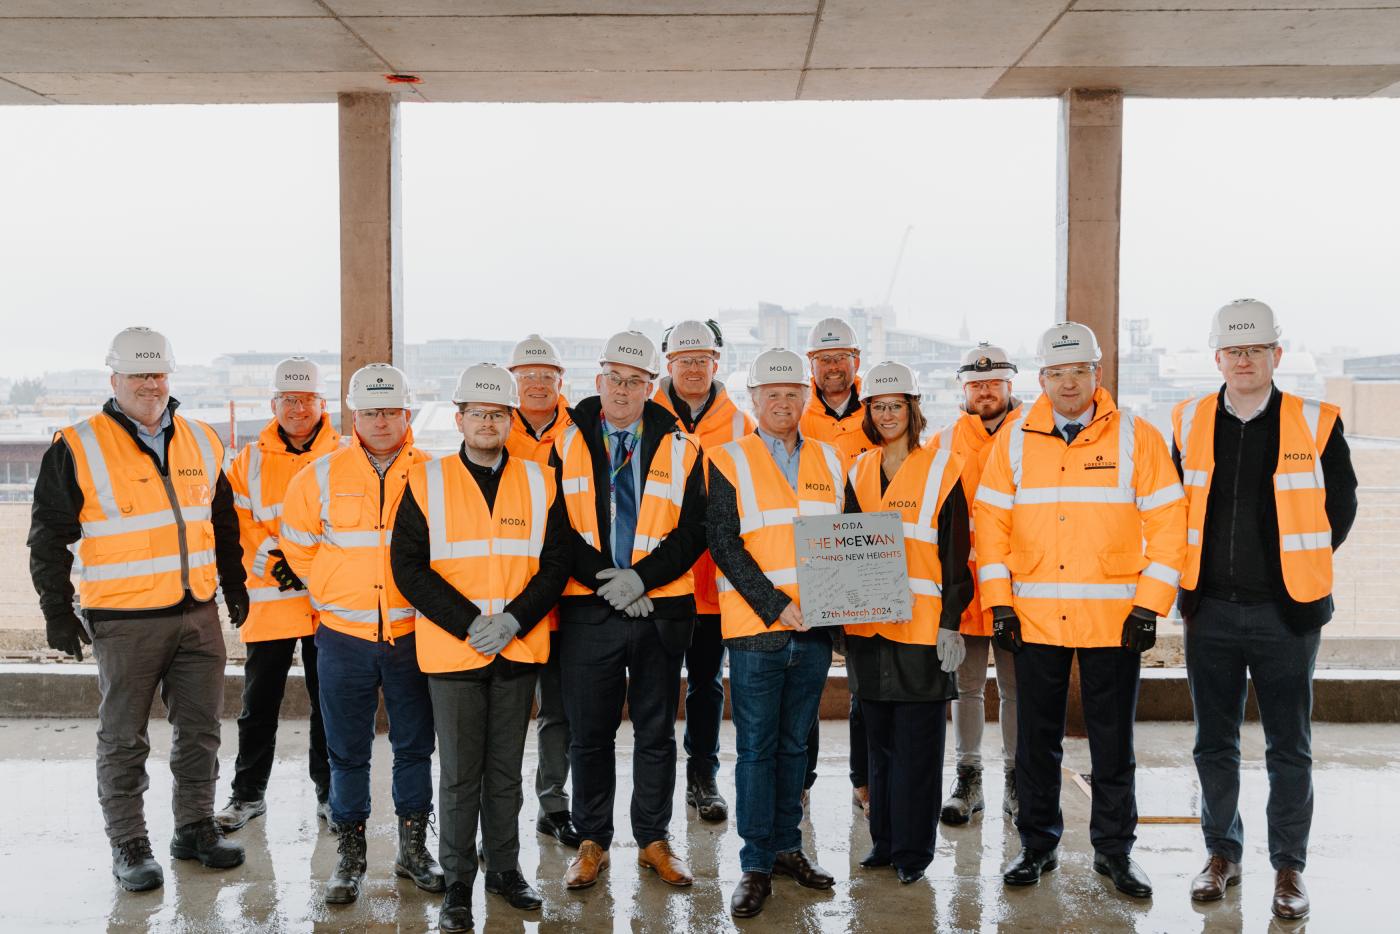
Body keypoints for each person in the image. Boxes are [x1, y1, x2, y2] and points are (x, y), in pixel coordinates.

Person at [28, 326, 247, 891]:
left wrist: (235, 584)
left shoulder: (201, 439)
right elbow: (49, 536)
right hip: (124, 621)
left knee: (200, 732)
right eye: (138, 375)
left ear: (167, 376)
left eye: (157, 374)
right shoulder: (76, 445)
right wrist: (57, 610)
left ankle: (195, 828)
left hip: (197, 614)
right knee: (124, 739)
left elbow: (221, 522)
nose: (150, 385)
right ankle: (129, 845)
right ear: (115, 379)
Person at [975, 321, 1186, 899]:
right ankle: (1036, 846)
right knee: (1035, 740)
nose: (1069, 385)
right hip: (1035, 617)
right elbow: (989, 527)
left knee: (1112, 742)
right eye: (1057, 374)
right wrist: (1000, 604)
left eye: (1080, 372)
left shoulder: (1135, 437)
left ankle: (1114, 852)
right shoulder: (1014, 438)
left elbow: (1170, 525)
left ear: (1098, 374)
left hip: (1114, 621)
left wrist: (1150, 607)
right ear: (1041, 378)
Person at [1172, 299, 1357, 921]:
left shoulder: (1315, 420)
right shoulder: (1189, 420)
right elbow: (1176, 508)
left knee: (1289, 746)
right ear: (1217, 357)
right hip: (1211, 611)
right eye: (1233, 350)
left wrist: (1298, 569)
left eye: (1255, 349)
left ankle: (1288, 868)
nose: (1244, 360)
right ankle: (1221, 855)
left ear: (1276, 355)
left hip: (1288, 614)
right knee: (1213, 744)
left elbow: (1343, 506)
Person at [392, 363, 571, 932]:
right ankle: (457, 885)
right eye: (478, 413)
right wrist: (473, 624)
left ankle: (505, 872)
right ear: (460, 417)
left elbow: (556, 563)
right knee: (459, 776)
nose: (488, 423)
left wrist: (514, 620)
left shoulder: (542, 481)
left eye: (497, 414)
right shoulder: (427, 480)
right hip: (455, 652)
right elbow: (409, 568)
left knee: (504, 774)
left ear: (510, 419)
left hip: (516, 650)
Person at [279, 363, 442, 905]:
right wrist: (333, 590)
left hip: (412, 636)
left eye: (390, 411)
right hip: (342, 638)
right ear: (353, 413)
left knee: (414, 747)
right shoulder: (319, 476)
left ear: (406, 412)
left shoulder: (434, 476)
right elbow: (299, 547)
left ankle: (414, 849)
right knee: (347, 751)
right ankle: (350, 857)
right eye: (370, 411)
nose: (380, 420)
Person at [552, 331, 707, 891]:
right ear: (598, 382)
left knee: (656, 733)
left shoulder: (682, 445)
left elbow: (694, 531)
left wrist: (641, 578)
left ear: (651, 386)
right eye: (614, 378)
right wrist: (611, 583)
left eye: (635, 381)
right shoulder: (565, 443)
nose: (623, 389)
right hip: (589, 611)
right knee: (588, 734)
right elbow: (557, 532)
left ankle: (653, 841)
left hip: (660, 610)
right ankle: (591, 840)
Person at [707, 348, 845, 918]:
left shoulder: (833, 461)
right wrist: (775, 605)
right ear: (754, 401)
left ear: (805, 400)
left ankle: (789, 846)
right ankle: (756, 862)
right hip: (756, 630)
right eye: (772, 395)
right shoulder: (726, 459)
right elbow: (723, 543)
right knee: (757, 750)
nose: (783, 403)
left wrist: (832, 608)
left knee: (796, 746)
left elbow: (846, 541)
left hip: (814, 633)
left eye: (792, 395)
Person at [843, 362, 972, 884]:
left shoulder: (945, 469)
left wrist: (951, 622)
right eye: (878, 406)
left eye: (897, 405)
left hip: (922, 631)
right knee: (880, 747)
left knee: (918, 752)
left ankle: (914, 854)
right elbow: (845, 551)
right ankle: (885, 842)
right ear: (869, 413)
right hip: (869, 632)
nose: (887, 414)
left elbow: (956, 553)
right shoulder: (857, 471)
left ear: (913, 410)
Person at [216, 356, 341, 834]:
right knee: (259, 704)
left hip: (324, 604)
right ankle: (247, 795)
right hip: (271, 602)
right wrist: (279, 559)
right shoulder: (248, 462)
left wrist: (304, 562)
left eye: (306, 399)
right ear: (274, 404)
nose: (297, 408)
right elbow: (238, 522)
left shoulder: (343, 456)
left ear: (321, 403)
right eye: (289, 400)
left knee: (326, 704)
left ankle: (330, 795)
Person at [652, 318, 755, 823]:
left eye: (702, 360)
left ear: (717, 363)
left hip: (716, 582)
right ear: (667, 364)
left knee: (708, 683)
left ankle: (703, 775)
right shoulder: (644, 415)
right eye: (683, 360)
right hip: (660, 577)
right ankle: (655, 784)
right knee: (658, 683)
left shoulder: (741, 424)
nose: (693, 369)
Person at [928, 342, 1024, 825]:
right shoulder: (942, 441)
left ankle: (1016, 778)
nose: (985, 392)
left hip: (1017, 588)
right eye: (976, 385)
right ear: (962, 389)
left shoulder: (1034, 434)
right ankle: (968, 778)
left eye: (994, 383)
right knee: (965, 690)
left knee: (1014, 690)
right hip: (964, 590)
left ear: (1011, 386)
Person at [504, 333, 580, 850]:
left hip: (568, 593)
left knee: (559, 711)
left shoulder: (582, 433)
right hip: (507, 598)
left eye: (545, 376)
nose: (535, 384)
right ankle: (498, 811)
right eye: (526, 376)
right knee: (504, 716)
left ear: (560, 382)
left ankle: (553, 806)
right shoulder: (490, 427)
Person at [799, 316, 872, 815]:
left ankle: (864, 782)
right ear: (811, 365)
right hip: (813, 562)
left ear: (856, 362)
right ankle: (800, 781)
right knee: (805, 681)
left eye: (840, 358)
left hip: (869, 559)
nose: (832, 368)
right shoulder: (795, 412)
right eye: (823, 360)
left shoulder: (882, 411)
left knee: (866, 683)